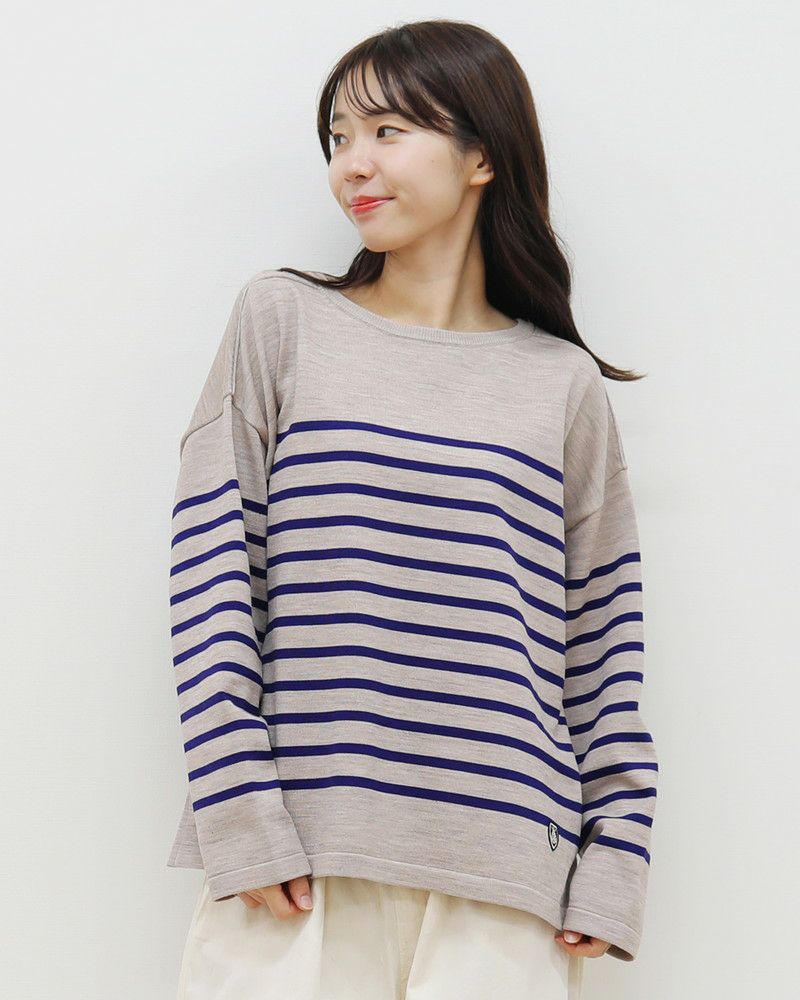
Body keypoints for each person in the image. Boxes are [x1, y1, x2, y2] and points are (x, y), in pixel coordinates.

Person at [166, 18, 658, 999]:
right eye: (338, 137)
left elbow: (602, 639)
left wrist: (614, 860)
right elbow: (213, 577)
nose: (352, 164)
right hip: (300, 867)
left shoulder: (559, 384)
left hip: (504, 880)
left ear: (481, 156)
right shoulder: (282, 321)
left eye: (387, 131)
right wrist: (237, 813)